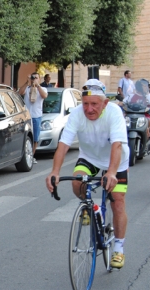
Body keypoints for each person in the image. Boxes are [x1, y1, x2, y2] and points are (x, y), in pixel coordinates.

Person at [45, 79, 130, 269]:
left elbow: (117, 145)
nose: (89, 109)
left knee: (117, 200)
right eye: (85, 104)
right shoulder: (76, 114)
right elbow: (63, 145)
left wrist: (111, 172)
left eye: (94, 104)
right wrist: (55, 172)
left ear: (105, 103)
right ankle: (93, 210)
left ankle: (119, 248)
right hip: (90, 157)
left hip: (115, 159)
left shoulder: (114, 112)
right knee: (77, 183)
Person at [18, 72, 48, 163]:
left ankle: (32, 156)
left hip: (36, 116)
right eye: (33, 77)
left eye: (36, 77)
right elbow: (20, 93)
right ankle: (25, 155)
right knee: (26, 137)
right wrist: (27, 82)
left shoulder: (42, 89)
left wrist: (37, 85)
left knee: (35, 138)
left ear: (39, 79)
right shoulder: (27, 89)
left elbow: (44, 96)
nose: (34, 79)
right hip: (27, 117)